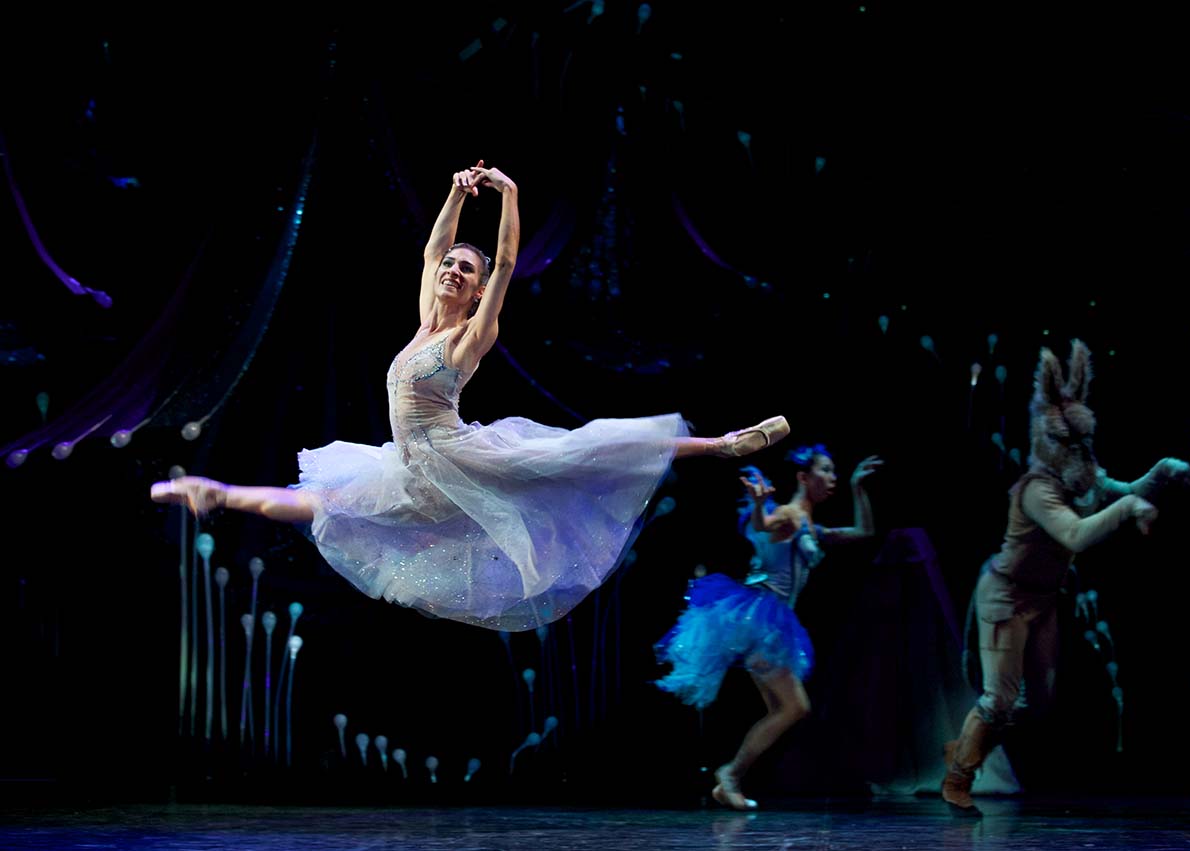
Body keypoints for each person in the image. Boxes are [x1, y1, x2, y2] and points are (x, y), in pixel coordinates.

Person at [151, 161, 789, 631]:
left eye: (467, 269)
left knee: (586, 451)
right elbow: (431, 250)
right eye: (452, 265)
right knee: (318, 504)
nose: (454, 270)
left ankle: (723, 444)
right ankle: (216, 494)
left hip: (460, 461)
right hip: (407, 468)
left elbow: (507, 261)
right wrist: (456, 195)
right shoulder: (422, 324)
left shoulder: (465, 339)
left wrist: (509, 194)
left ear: (478, 291)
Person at [941, 339, 1190, 814]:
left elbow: (1126, 488)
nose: (1080, 451)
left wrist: (1162, 473)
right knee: (998, 699)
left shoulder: (1084, 477)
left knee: (1036, 702)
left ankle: (964, 750)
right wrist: (1128, 507)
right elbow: (1076, 535)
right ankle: (958, 776)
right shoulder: (1037, 488)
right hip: (1006, 596)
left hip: (1043, 599)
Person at [655, 445, 882, 810]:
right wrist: (760, 505)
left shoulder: (812, 525)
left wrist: (858, 486)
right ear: (803, 478)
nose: (832, 478)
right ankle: (729, 774)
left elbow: (864, 532)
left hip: (770, 623)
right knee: (795, 708)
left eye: (835, 472)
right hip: (762, 620)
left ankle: (730, 778)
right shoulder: (791, 515)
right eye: (826, 470)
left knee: (785, 709)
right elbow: (763, 525)